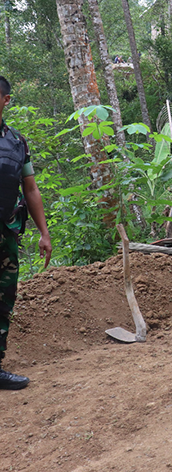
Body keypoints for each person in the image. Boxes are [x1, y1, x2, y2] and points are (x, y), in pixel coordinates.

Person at [0, 76, 52, 390]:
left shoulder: (17, 142)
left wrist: (44, 233)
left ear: (6, 100)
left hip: (6, 233)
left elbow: (30, 189)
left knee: (3, 300)